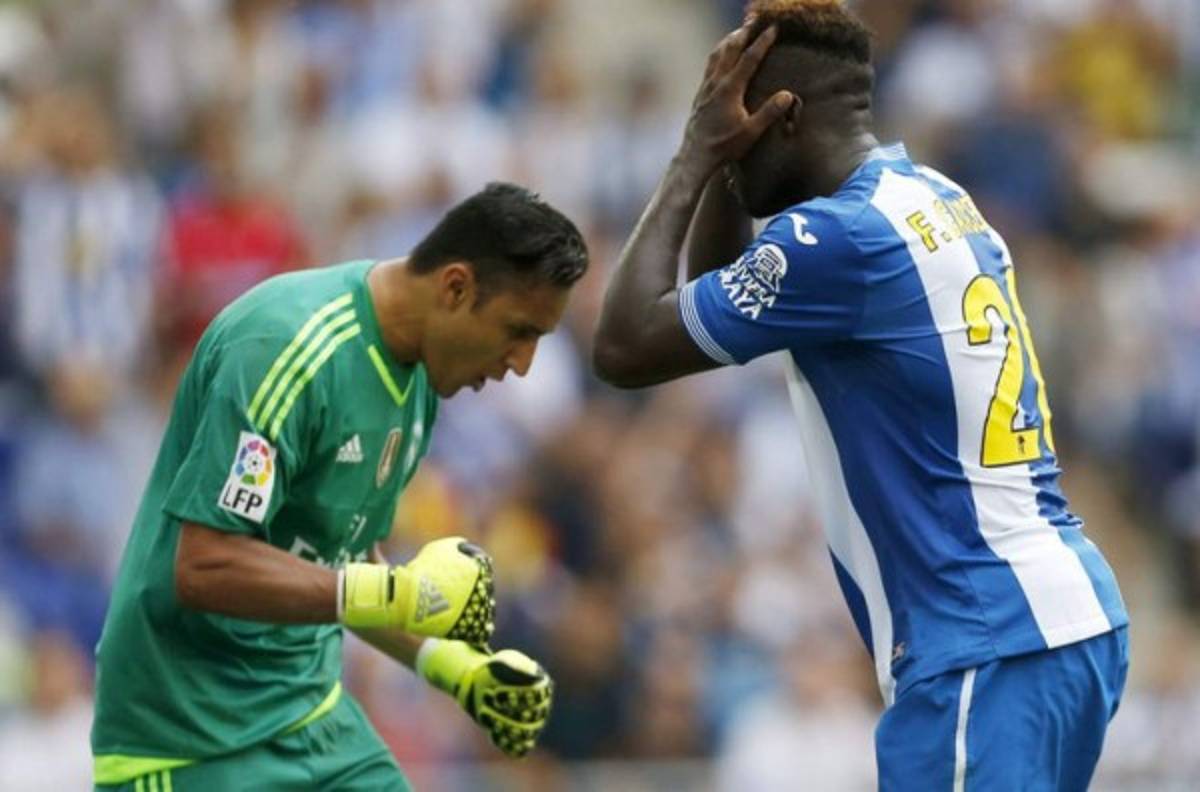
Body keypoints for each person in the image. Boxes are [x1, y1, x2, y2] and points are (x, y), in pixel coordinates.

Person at [592, 2, 1129, 790]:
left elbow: (623, 346)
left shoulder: (840, 242)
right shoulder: (935, 197)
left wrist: (694, 156)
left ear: (783, 116)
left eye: (741, 125)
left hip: (983, 639)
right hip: (1060, 618)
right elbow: (717, 300)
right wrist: (729, 164)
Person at [92, 182, 588, 791]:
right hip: (186, 739)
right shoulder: (284, 349)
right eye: (519, 330)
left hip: (312, 721)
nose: (523, 364)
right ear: (455, 287)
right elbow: (205, 565)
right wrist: (397, 593)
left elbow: (346, 562)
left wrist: (452, 667)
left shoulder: (418, 383)